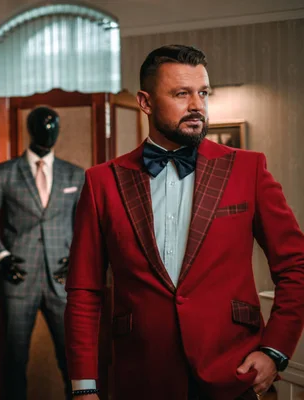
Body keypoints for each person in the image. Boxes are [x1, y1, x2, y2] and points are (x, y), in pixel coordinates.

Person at [64, 44, 304, 400]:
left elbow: (296, 265)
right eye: (181, 94)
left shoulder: (248, 168)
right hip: (142, 377)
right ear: (145, 102)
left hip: (236, 374)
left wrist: (274, 351)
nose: (197, 106)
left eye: (203, 93)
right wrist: (84, 387)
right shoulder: (103, 182)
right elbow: (84, 290)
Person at [0, 106, 85, 400]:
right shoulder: (5, 173)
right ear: (30, 129)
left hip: (62, 281)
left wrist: (76, 261)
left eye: (54, 125)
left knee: (73, 362)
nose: (50, 130)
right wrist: (1, 257)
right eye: (43, 125)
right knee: (14, 361)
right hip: (18, 278)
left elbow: (87, 227)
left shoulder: (75, 174)